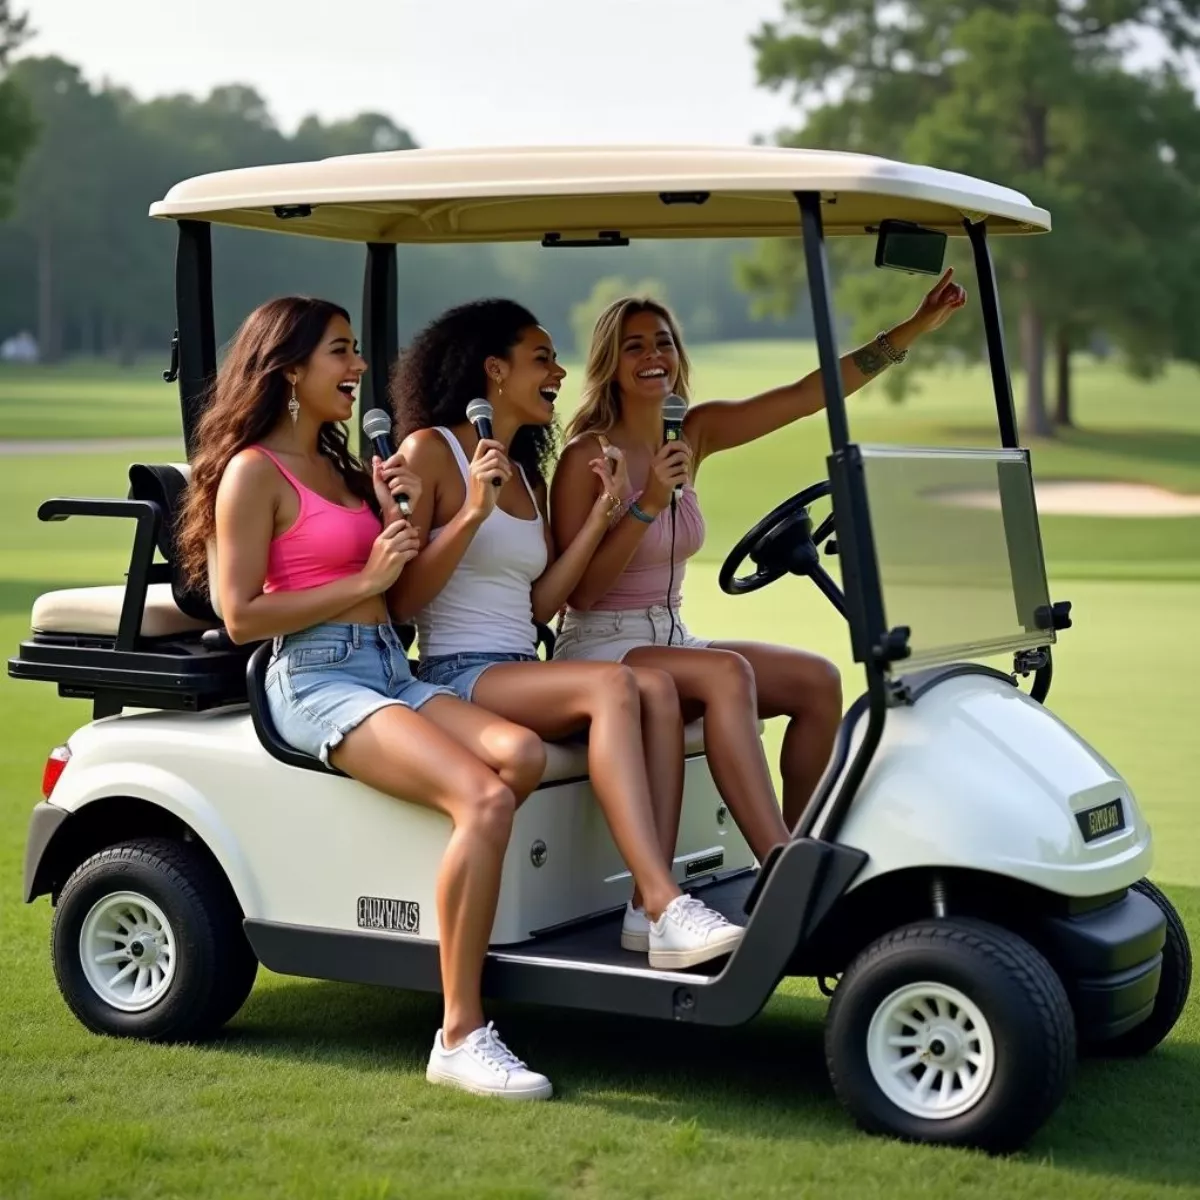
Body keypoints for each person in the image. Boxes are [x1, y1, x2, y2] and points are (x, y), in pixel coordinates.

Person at [177, 296, 555, 1101]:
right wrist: (366, 579)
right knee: (485, 800)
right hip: (315, 677)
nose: (357, 370)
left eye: (354, 353)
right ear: (287, 372)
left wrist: (399, 525)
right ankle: (460, 1033)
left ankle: (443, 912)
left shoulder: (350, 468)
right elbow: (241, 615)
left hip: (387, 665)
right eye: (340, 354)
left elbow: (398, 583)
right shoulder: (254, 473)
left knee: (519, 754)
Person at [549, 270, 969, 856]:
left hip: (673, 640)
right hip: (603, 647)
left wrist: (913, 329)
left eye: (664, 342)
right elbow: (583, 596)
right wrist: (645, 505)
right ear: (610, 363)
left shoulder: (692, 432)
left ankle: (808, 849)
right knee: (729, 674)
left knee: (817, 682)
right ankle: (778, 867)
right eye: (635, 346)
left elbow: (804, 395)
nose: (654, 356)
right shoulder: (586, 457)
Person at [389, 298, 744, 970]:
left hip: (517, 663)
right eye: (542, 358)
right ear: (495, 370)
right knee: (616, 684)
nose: (559, 371)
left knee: (658, 691)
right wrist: (470, 513)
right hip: (456, 673)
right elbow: (404, 602)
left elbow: (540, 608)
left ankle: (648, 905)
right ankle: (666, 902)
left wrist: (605, 516)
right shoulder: (432, 451)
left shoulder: (522, 471)